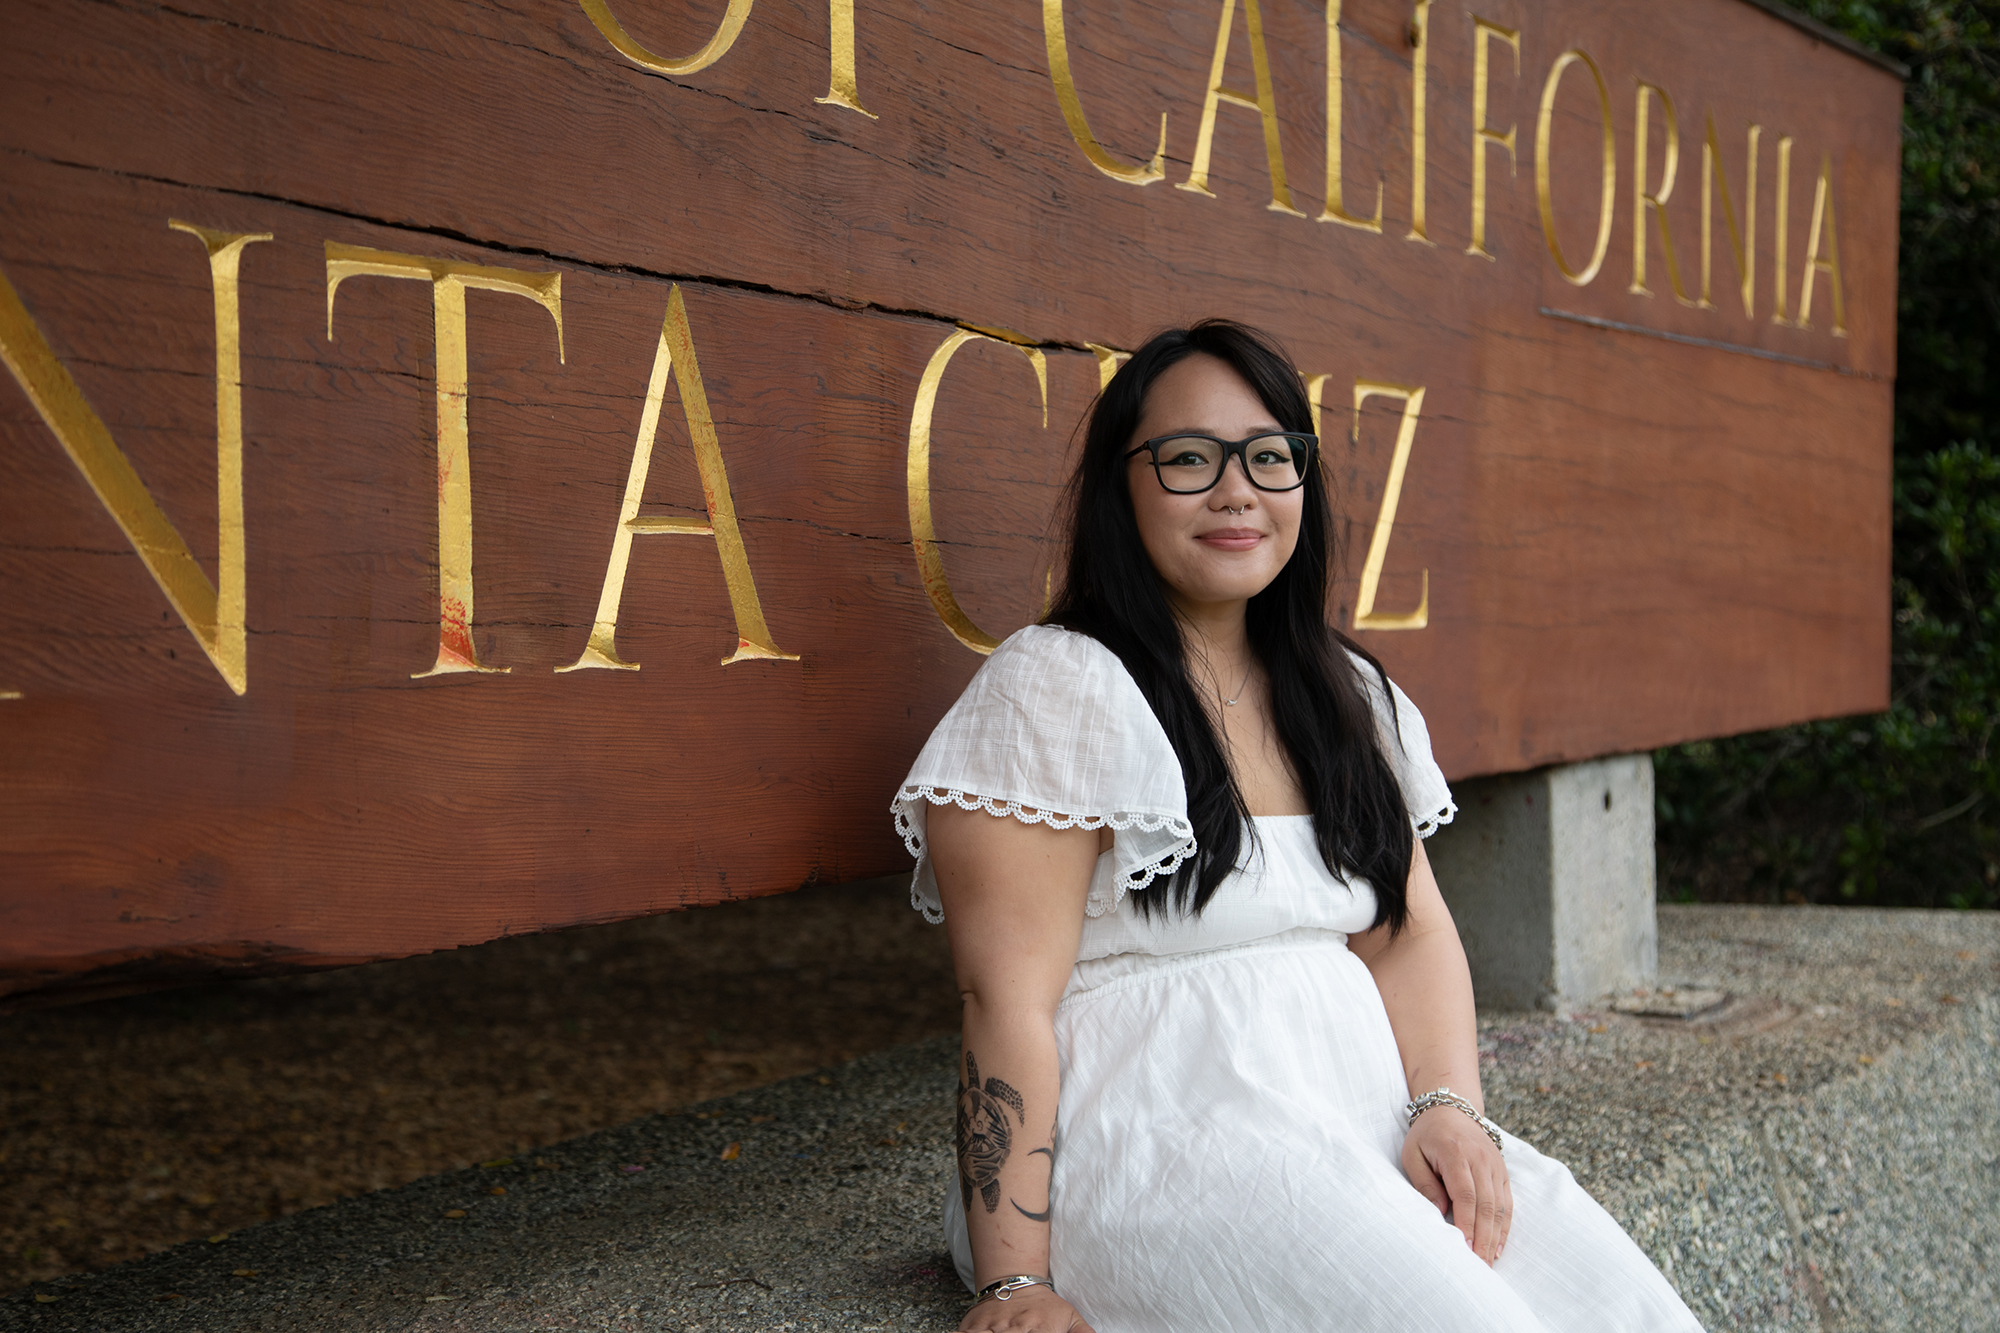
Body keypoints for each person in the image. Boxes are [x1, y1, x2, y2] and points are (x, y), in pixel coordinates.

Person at [890, 321, 1704, 1333]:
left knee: (1625, 1312)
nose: (1236, 490)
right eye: (1188, 458)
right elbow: (1000, 998)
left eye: (1268, 457)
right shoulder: (1055, 688)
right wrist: (1013, 1279)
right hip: (1160, 1146)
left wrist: (1446, 1108)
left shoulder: (1343, 691)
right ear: (1119, 486)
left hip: (1355, 1129)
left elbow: (1410, 935)